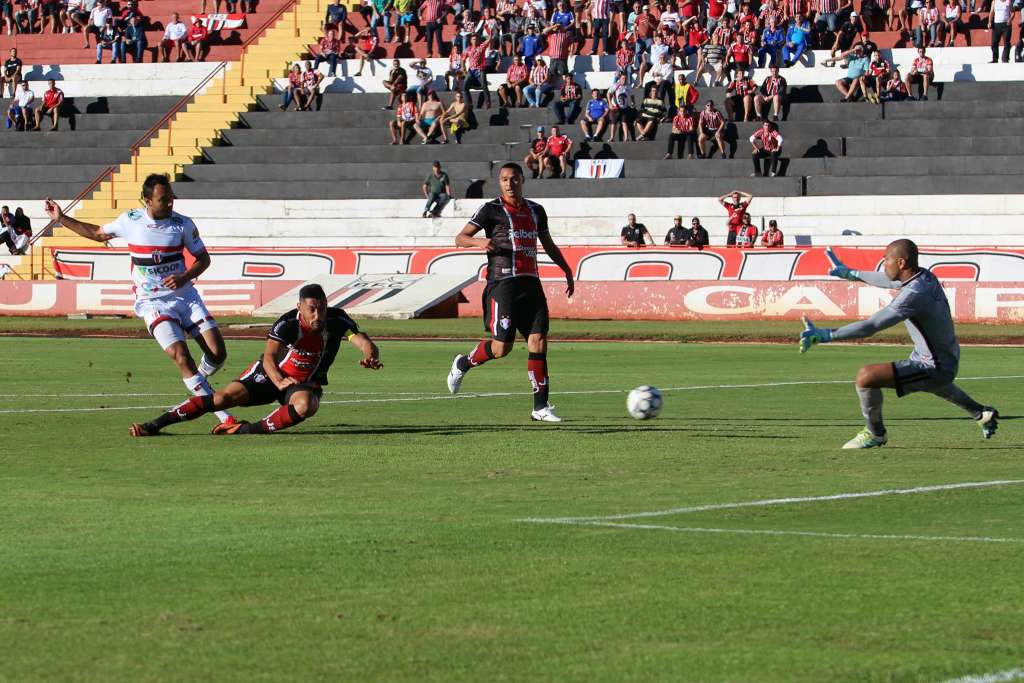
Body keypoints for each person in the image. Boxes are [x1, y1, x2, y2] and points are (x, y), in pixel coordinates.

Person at [44, 174, 238, 429]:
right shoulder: (130, 221)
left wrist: (185, 276)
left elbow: (203, 259)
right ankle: (225, 418)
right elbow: (97, 233)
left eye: (170, 198)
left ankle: (197, 381)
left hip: (185, 296)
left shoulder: (182, 225)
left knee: (218, 354)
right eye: (163, 199)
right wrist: (61, 219)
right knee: (182, 357)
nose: (170, 203)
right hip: (152, 302)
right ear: (147, 200)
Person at [800, 242, 999, 449]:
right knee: (935, 385)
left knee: (866, 377)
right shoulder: (924, 277)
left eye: (887, 259)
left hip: (933, 365)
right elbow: (887, 280)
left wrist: (826, 335)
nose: (884, 264)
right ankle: (981, 413)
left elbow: (872, 326)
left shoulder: (914, 294)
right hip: (942, 358)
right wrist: (851, 273)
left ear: (901, 262)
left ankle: (875, 433)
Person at [130, 284, 383, 437]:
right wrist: (279, 380)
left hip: (302, 383)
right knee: (221, 399)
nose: (318, 315)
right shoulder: (288, 324)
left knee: (307, 406)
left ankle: (245, 431)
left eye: (322, 308)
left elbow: (361, 340)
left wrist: (370, 355)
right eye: (312, 309)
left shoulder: (337, 321)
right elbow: (270, 357)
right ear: (300, 307)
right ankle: (156, 424)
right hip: (270, 374)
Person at [446, 163, 575, 422]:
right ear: (500, 183)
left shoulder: (537, 210)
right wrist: (479, 241)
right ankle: (463, 363)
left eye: (514, 179)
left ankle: (540, 407)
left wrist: (565, 268)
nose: (509, 184)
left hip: (531, 284)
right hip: (502, 285)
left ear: (522, 180)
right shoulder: (491, 210)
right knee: (501, 348)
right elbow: (460, 238)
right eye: (504, 179)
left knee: (538, 342)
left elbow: (547, 242)